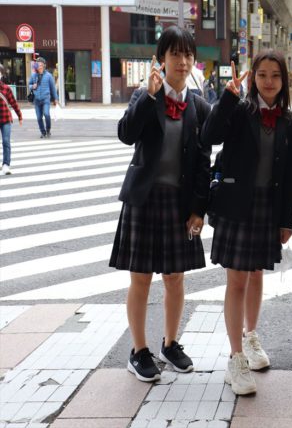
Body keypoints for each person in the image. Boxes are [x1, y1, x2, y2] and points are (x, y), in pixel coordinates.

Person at [109, 26, 212, 382]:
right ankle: (138, 351)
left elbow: (204, 162)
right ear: (162, 59)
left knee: (175, 277)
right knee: (141, 277)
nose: (182, 61)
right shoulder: (145, 94)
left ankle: (170, 344)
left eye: (188, 55)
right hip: (144, 199)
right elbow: (126, 134)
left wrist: (198, 209)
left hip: (178, 203)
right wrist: (148, 98)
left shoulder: (199, 106)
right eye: (175, 54)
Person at [201, 51, 292, 395]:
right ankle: (236, 358)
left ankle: (250, 336)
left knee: (257, 274)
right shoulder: (240, 110)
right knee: (237, 280)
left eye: (275, 75)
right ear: (253, 78)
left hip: (267, 207)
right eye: (262, 75)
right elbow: (209, 135)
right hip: (236, 204)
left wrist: (287, 219)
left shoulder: (288, 120)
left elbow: (290, 174)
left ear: (284, 79)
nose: (269, 81)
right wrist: (227, 98)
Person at [0, 64, 23, 175]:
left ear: (1, 74)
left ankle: (6, 165)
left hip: (6, 118)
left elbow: (13, 103)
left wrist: (19, 116)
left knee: (6, 141)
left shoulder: (6, 88)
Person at [28, 57, 57, 138]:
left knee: (47, 114)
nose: (39, 66)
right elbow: (29, 84)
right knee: (39, 117)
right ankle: (43, 132)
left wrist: (56, 99)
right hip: (37, 100)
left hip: (46, 99)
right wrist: (32, 86)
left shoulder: (49, 76)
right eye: (38, 64)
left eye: (41, 64)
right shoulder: (34, 75)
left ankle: (48, 130)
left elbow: (53, 88)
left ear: (44, 65)